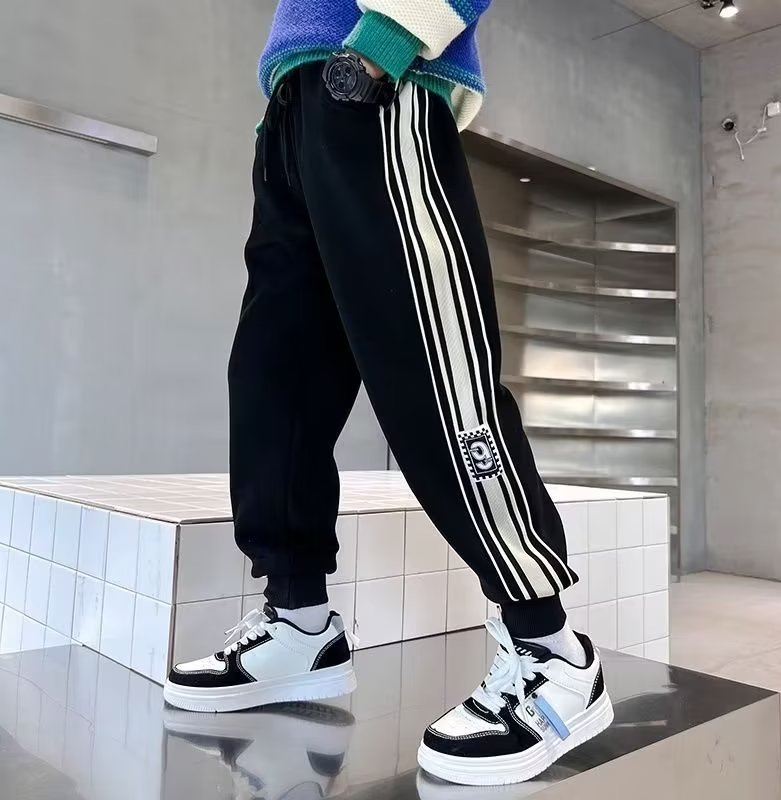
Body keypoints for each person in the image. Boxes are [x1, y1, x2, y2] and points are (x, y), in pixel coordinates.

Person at [163, 0, 613, 785]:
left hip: (378, 83)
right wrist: (287, 112)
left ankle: (553, 652)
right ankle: (300, 623)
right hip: (297, 107)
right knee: (275, 379)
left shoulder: (377, 63)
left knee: (433, 376)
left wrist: (382, 47)